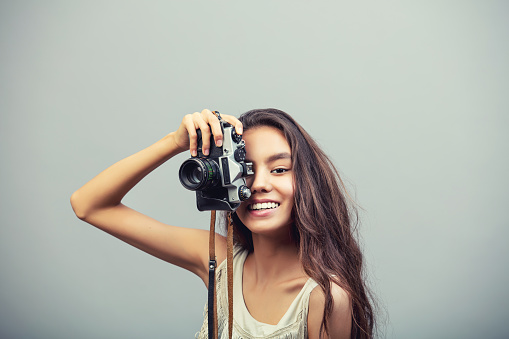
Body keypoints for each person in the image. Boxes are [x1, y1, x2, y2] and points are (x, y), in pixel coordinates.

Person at [70, 108, 375, 339]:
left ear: (308, 183)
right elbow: (89, 205)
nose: (259, 184)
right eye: (245, 170)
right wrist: (175, 142)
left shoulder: (324, 296)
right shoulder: (218, 260)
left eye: (280, 169)